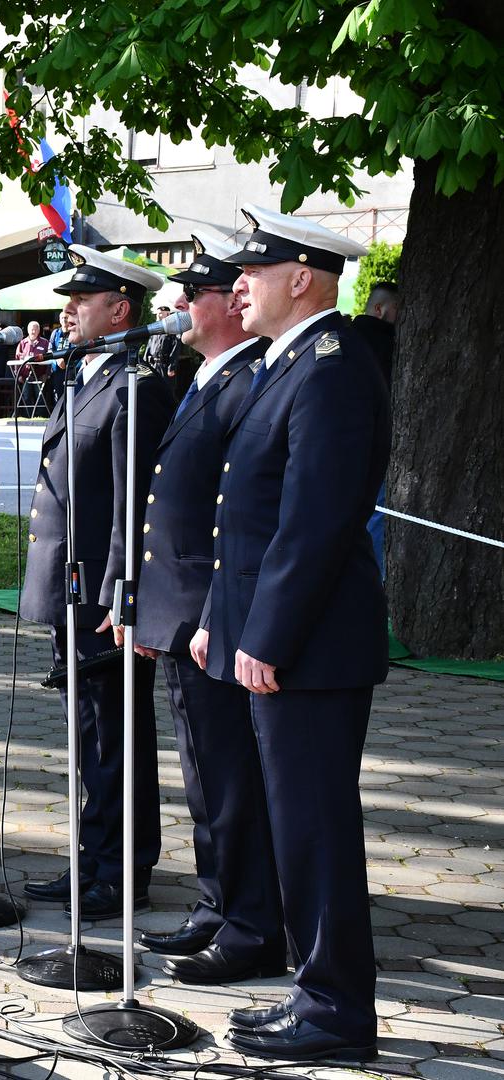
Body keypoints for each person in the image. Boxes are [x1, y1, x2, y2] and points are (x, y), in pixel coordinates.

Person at [195, 206, 386, 1063]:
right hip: (275, 636)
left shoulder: (332, 369)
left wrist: (264, 636)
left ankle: (338, 1012)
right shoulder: (290, 365)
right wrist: (217, 621)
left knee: (314, 829)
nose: (235, 286)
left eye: (251, 272)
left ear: (299, 278)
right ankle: (314, 991)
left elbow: (313, 522)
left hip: (309, 646)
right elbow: (243, 516)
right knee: (293, 827)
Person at [132, 234, 282, 985]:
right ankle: (219, 902)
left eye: (193, 294)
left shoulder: (250, 381)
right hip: (182, 612)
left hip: (212, 613)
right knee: (201, 770)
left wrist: (206, 614)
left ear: (228, 303)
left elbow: (234, 518)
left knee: (229, 774)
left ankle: (252, 921)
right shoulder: (205, 377)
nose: (179, 307)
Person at [19, 245, 173, 920]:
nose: (68, 310)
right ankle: (91, 859)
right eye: (69, 299)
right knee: (87, 737)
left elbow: (131, 505)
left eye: (82, 300)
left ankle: (122, 871)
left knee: (114, 737)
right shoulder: (84, 378)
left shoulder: (135, 386)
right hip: (67, 591)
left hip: (101, 598)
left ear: (120, 309)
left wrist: (119, 592)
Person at [353, 280, 398, 577]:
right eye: (399, 310)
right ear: (380, 310)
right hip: (375, 447)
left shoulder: (346, 339)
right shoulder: (385, 343)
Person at [13, 319, 51, 415]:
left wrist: (47, 374)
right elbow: (17, 359)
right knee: (26, 396)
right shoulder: (22, 343)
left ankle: (40, 415)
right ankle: (28, 416)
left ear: (39, 330)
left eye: (35, 329)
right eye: (31, 329)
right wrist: (19, 374)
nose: (33, 331)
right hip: (26, 376)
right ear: (28, 330)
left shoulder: (45, 342)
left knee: (40, 396)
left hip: (40, 375)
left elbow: (50, 359)